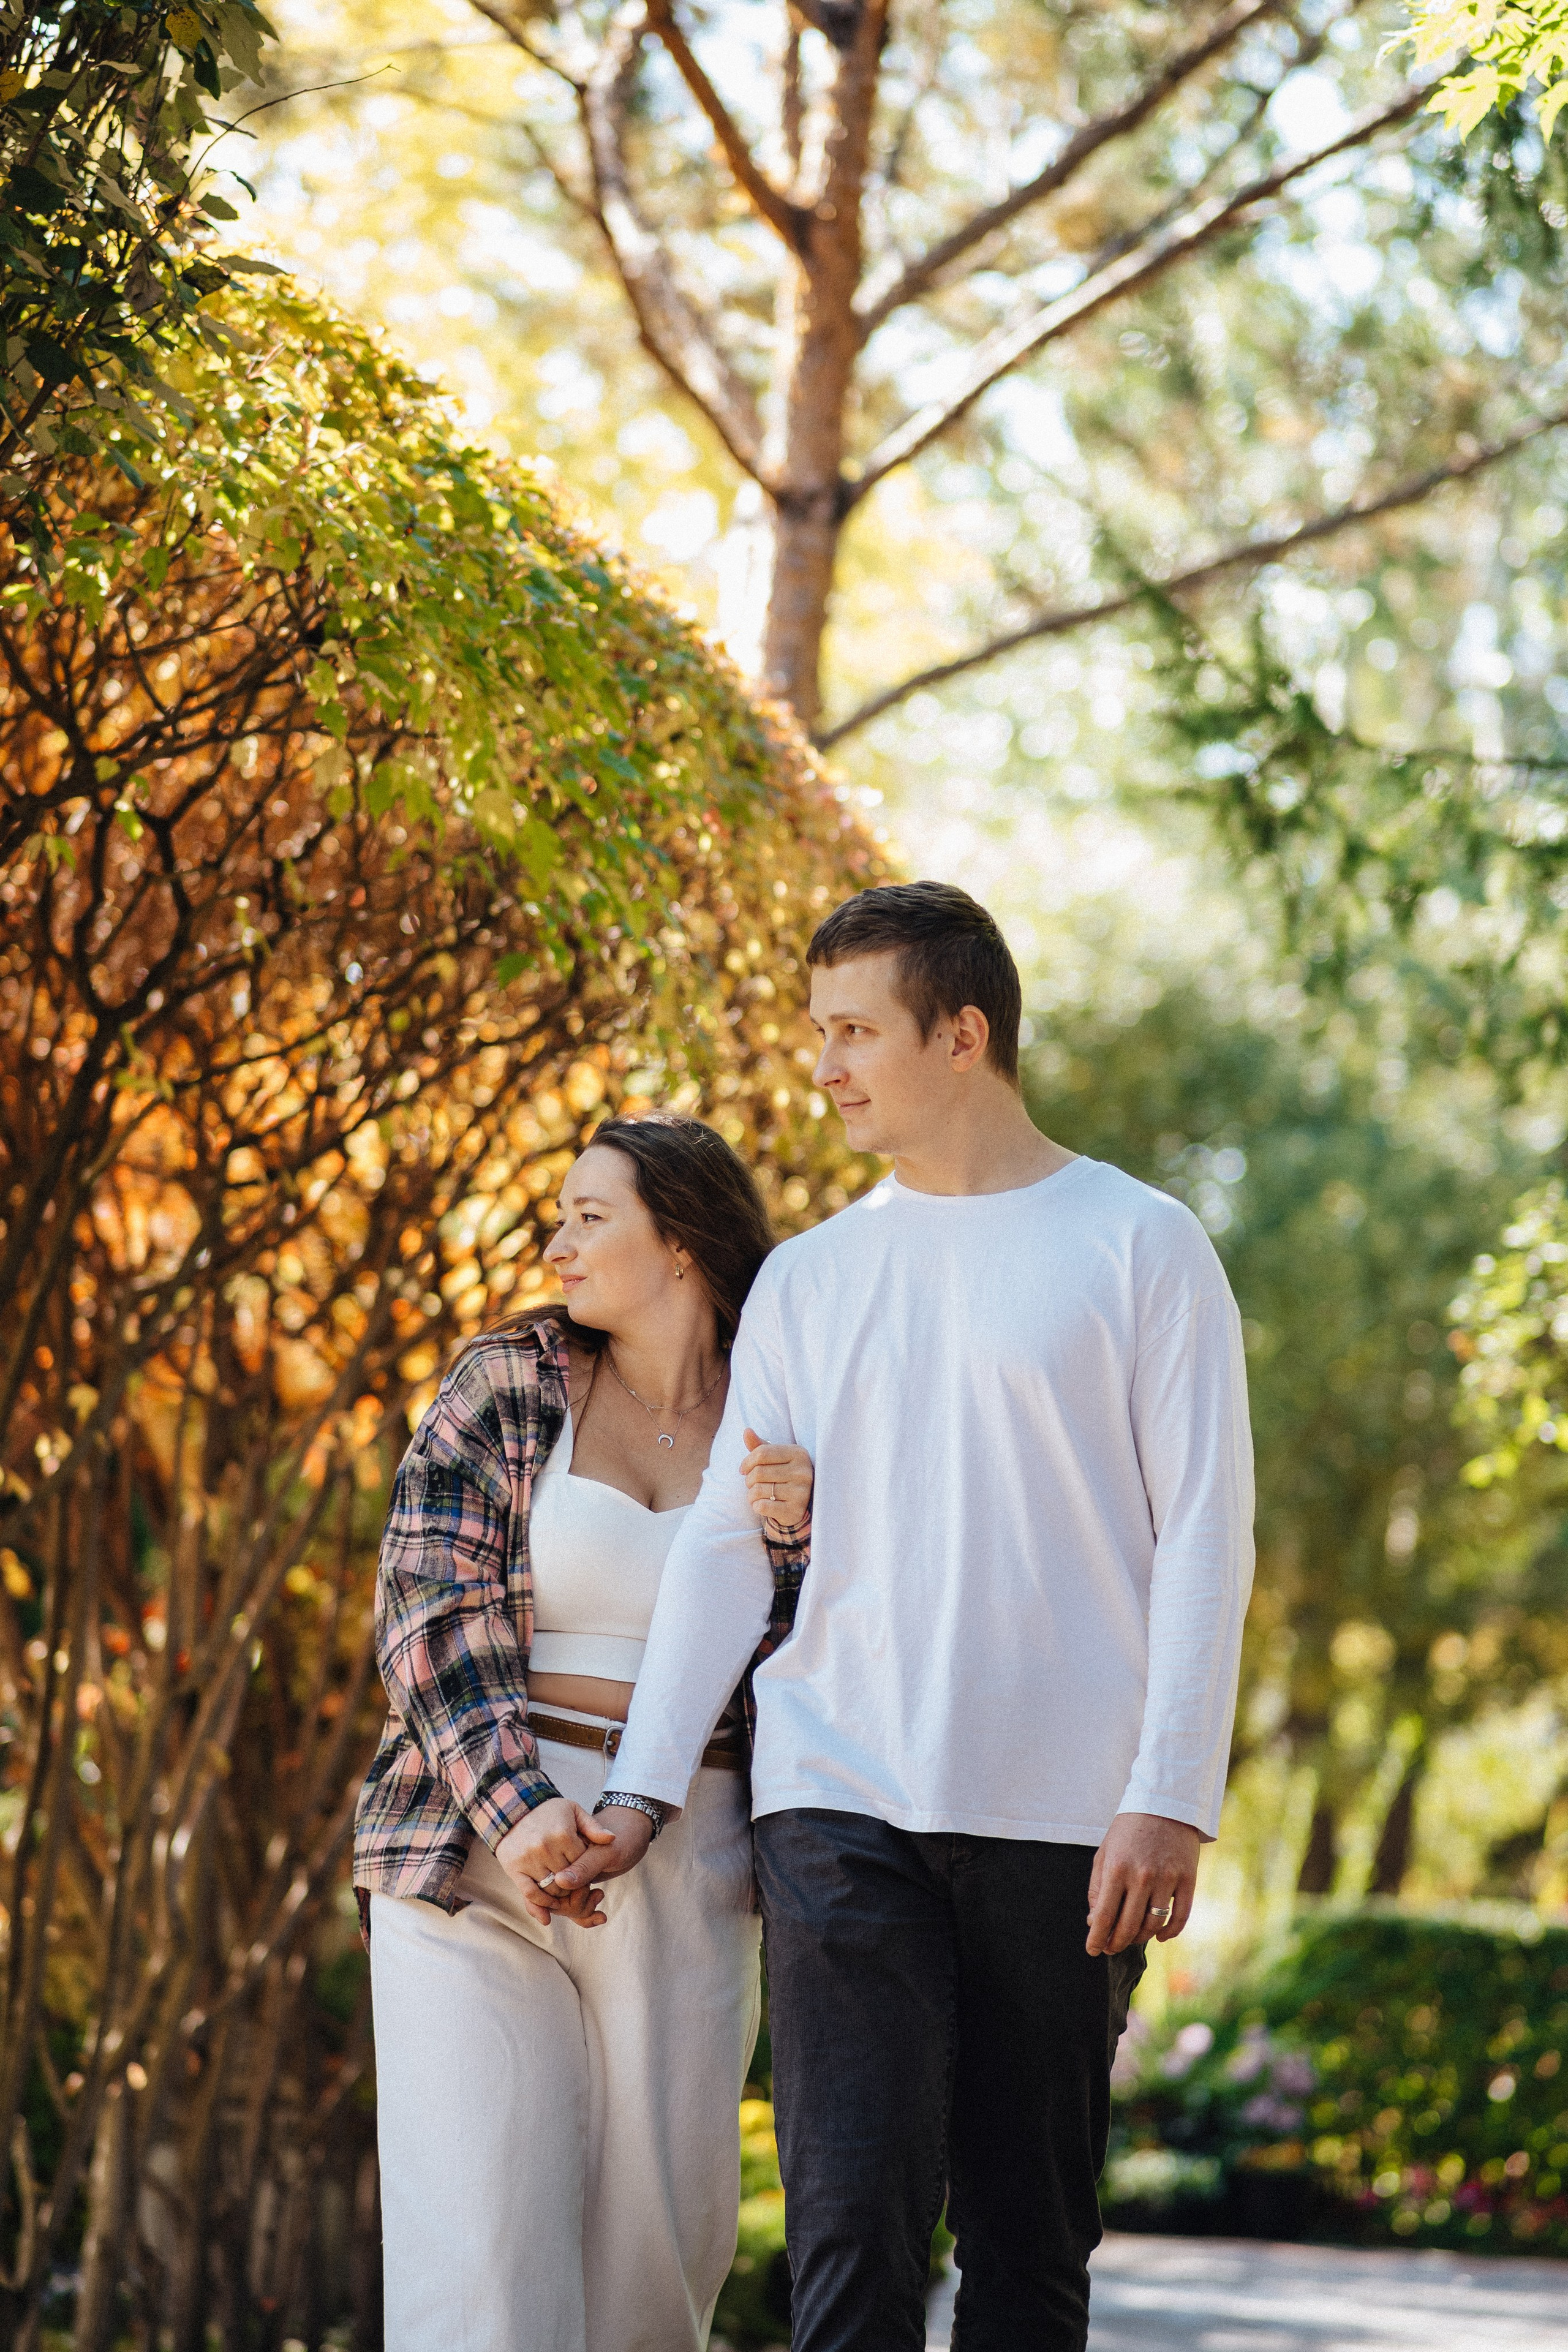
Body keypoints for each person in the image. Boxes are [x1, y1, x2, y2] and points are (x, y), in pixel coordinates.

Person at [547, 881, 1256, 2352]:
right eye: (819, 1032)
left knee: (1025, 2238)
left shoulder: (1141, 1246)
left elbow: (1202, 1535)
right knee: (851, 2228)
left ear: (963, 1035)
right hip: (836, 1793)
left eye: (854, 1030)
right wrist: (639, 1787)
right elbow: (729, 1552)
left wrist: (1170, 1795)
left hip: (1065, 1819)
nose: (824, 1066)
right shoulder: (809, 1279)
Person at [352, 1113, 814, 2352]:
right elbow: (424, 1610)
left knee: (651, 2270)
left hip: (688, 1855)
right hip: (472, 1851)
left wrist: (803, 1535)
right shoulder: (503, 1382)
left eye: (587, 1216)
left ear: (681, 1243)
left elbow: (842, 1651)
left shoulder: (793, 1415)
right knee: (477, 2265)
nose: (554, 1243)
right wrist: (519, 1808)